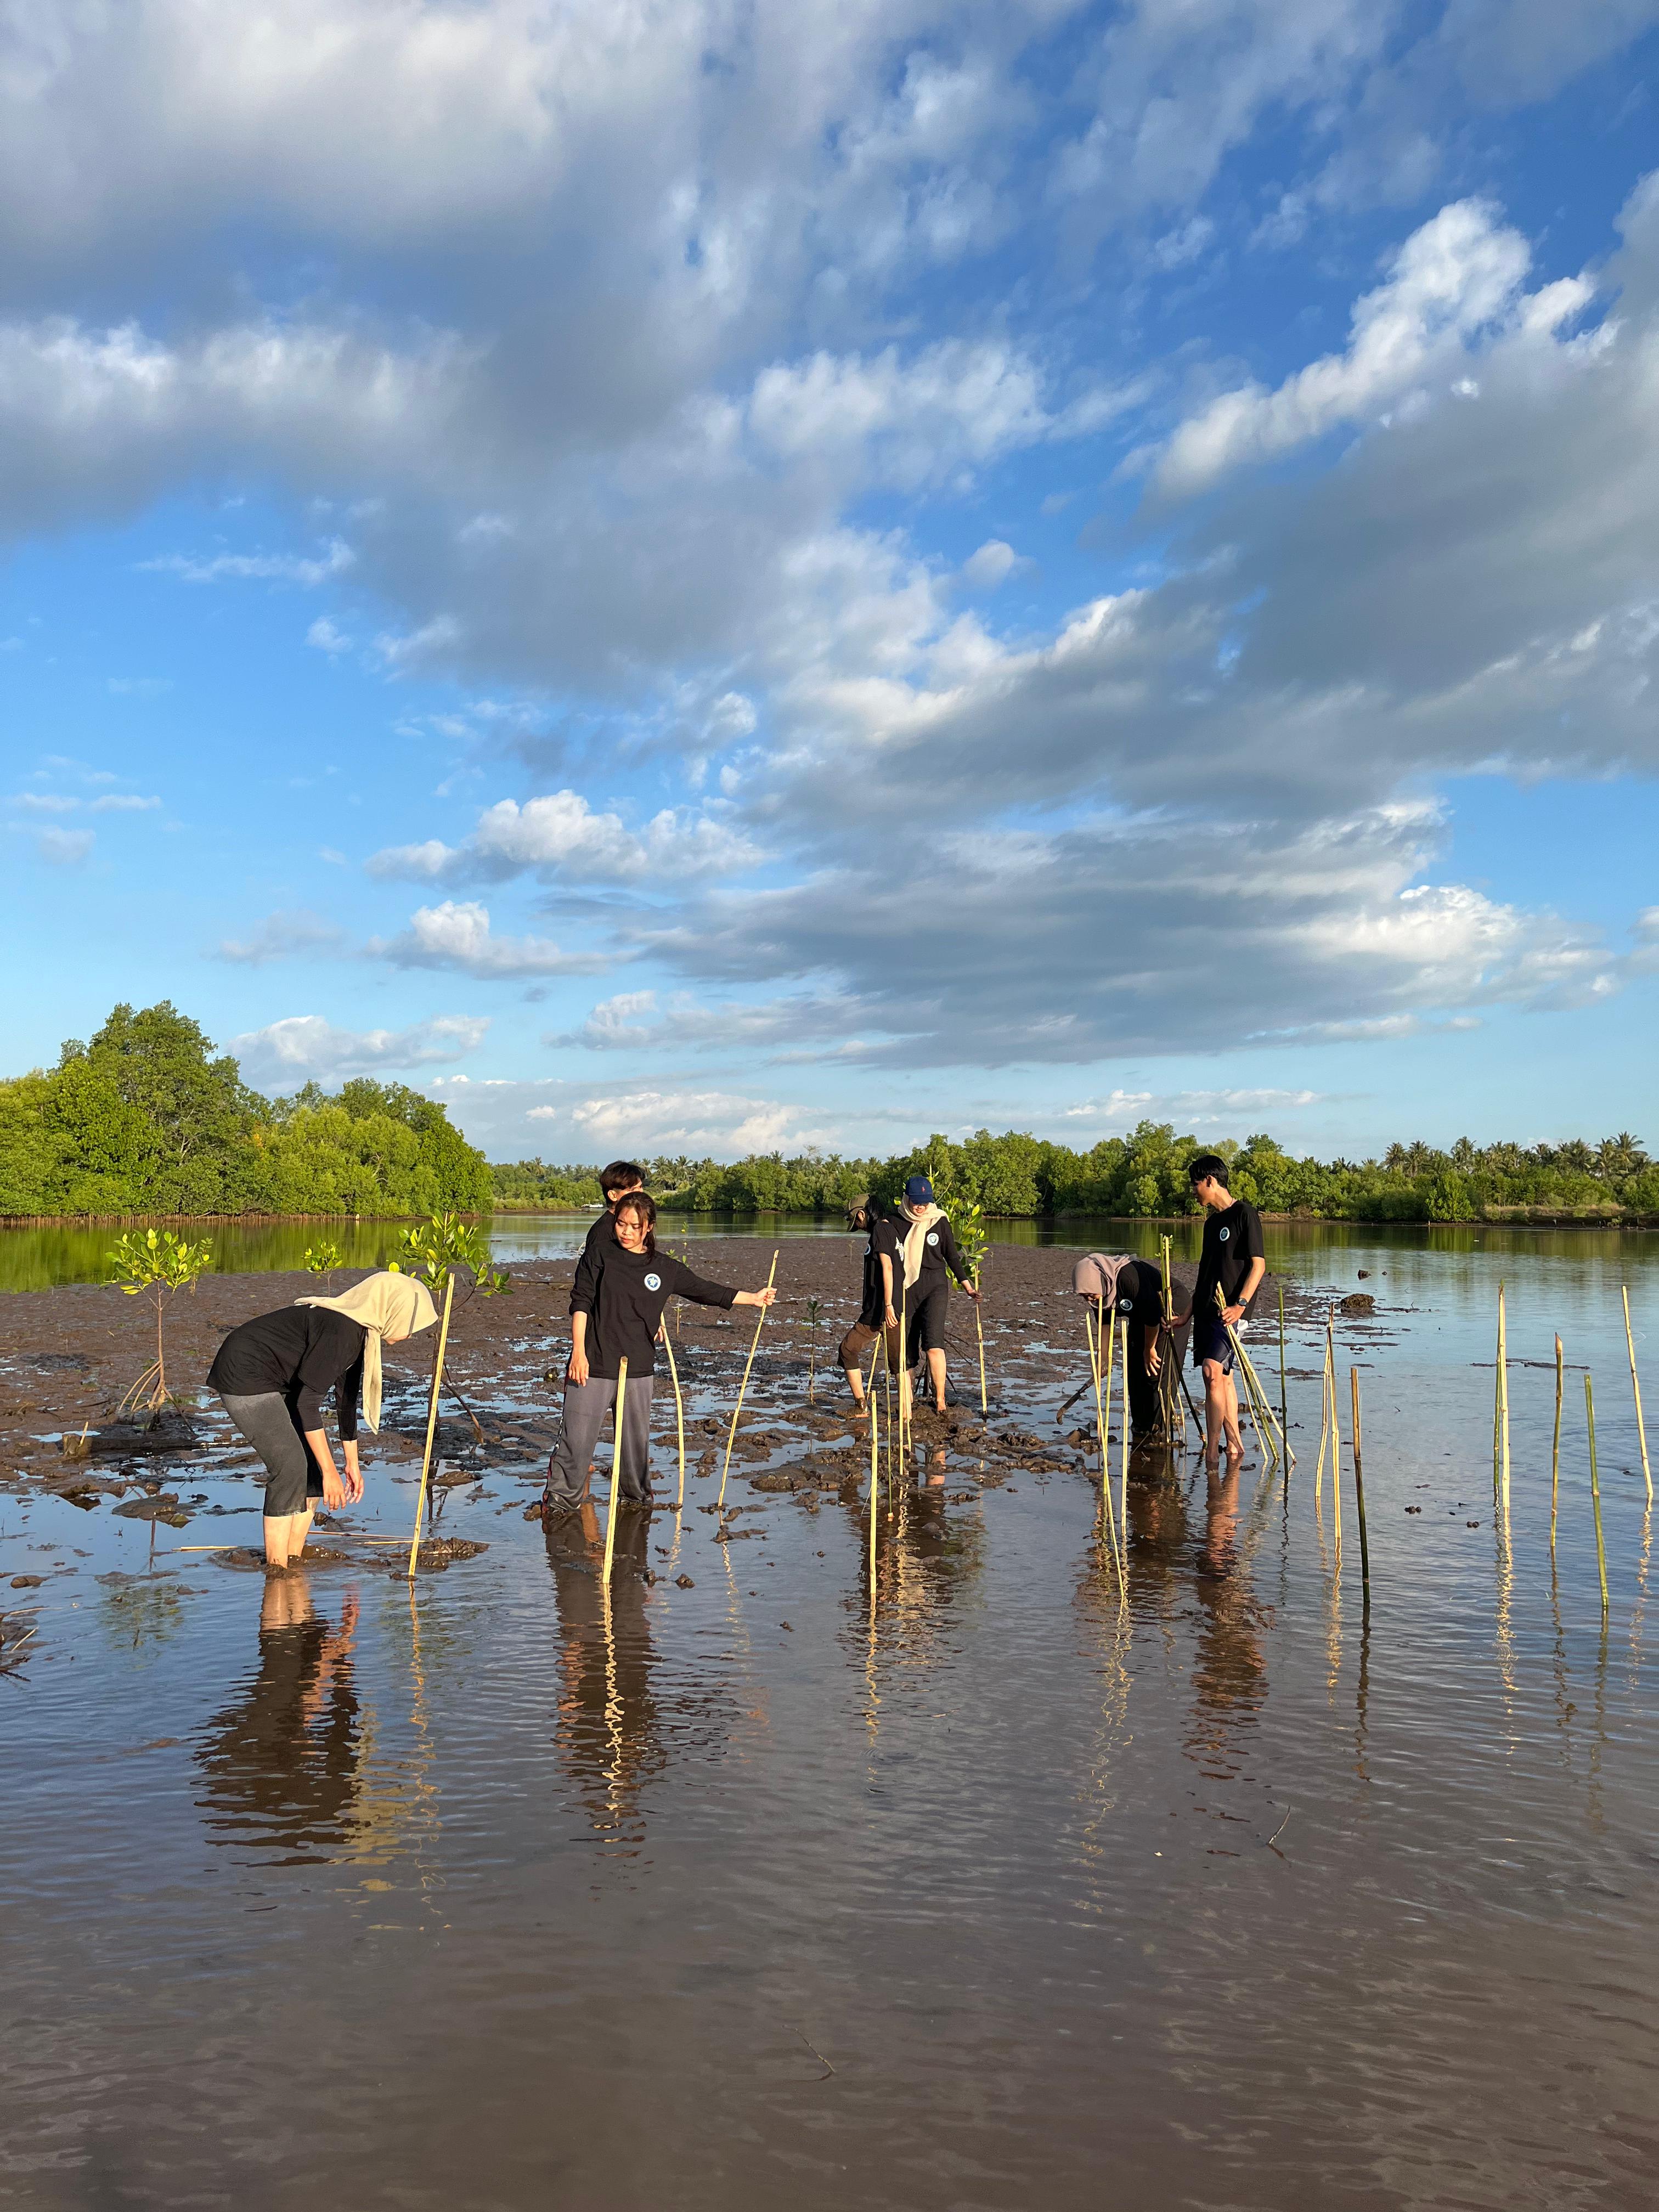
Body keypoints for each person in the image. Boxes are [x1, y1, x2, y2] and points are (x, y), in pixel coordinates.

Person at [543, 1192, 776, 1514]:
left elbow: (704, 1290)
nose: (625, 1232)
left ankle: (635, 1507)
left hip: (638, 1368)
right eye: (621, 1224)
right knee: (575, 1445)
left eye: (634, 1226)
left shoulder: (664, 1267)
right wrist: (578, 1353)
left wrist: (753, 1298)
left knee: (635, 1447)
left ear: (649, 1227)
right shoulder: (599, 1255)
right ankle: (558, 1510)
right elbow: (581, 1303)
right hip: (593, 1364)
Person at [207, 1271, 438, 1570]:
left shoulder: (362, 1332)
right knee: (290, 1467)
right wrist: (332, 1472)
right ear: (391, 1310)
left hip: (279, 1380)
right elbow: (307, 1403)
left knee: (313, 1470)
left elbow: (346, 1401)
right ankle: (277, 1571)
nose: (410, 1335)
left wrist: (351, 1465)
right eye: (410, 1325)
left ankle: (293, 1558)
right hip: (244, 1373)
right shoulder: (342, 1330)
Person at [1187, 1154, 1266, 1467]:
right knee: (1224, 1378)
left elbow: (1258, 1266)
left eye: (1196, 1184)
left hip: (1232, 1311)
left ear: (1210, 1181)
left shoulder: (1245, 1214)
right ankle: (1235, 1449)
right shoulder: (1210, 1225)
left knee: (1212, 1372)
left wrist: (1240, 1306)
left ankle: (1213, 1451)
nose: (1194, 1191)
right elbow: (1204, 1276)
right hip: (1207, 1310)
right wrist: (1186, 1315)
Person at [1070, 1252, 1186, 1437]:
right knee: (1134, 1369)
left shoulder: (1127, 1278)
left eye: (1090, 1295)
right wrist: (1103, 1360)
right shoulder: (1101, 1291)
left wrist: (1149, 1349)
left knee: (1156, 1369)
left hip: (1170, 1308)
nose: (1090, 1300)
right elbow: (1105, 1324)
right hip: (1144, 1315)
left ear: (1098, 1281)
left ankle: (1158, 1428)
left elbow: (1152, 1315)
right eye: (1085, 1297)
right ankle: (1140, 1427)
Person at [893, 1173, 979, 1414]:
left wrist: (967, 1285)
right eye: (916, 1201)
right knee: (906, 1347)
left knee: (933, 1344)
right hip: (906, 1288)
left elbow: (952, 1256)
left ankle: (940, 1400)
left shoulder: (939, 1221)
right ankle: (907, 1401)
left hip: (936, 1287)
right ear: (907, 1199)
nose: (920, 1207)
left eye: (925, 1202)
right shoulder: (896, 1221)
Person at [837, 1193, 904, 1414]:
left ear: (863, 1214)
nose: (859, 1226)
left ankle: (862, 1406)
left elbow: (888, 1267)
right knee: (898, 1363)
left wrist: (888, 1306)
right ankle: (906, 1411)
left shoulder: (880, 1231)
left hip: (882, 1310)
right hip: (888, 1307)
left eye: (857, 1221)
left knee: (848, 1350)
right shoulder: (891, 1228)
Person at [581, 1160, 647, 1261]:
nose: (640, 1193)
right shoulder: (603, 1232)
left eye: (641, 1187)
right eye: (632, 1190)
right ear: (613, 1195)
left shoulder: (641, 1222)